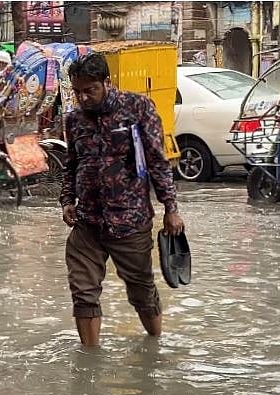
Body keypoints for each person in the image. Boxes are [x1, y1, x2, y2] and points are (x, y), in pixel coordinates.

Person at [59, 54, 185, 347]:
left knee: (141, 290)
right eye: (78, 91)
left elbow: (157, 160)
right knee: (83, 291)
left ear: (107, 82)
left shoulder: (138, 108)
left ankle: (155, 345)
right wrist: (67, 200)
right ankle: (89, 363)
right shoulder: (74, 120)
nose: (83, 97)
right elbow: (72, 163)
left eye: (90, 89)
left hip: (130, 220)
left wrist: (171, 208)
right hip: (87, 221)